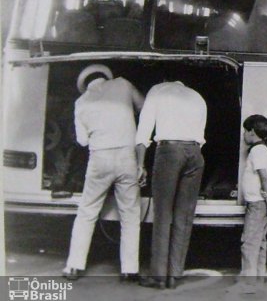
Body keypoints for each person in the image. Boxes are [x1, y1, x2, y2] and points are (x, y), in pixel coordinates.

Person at [63, 64, 145, 281]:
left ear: (85, 84)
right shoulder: (123, 84)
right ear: (106, 77)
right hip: (128, 155)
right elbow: (143, 106)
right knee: (130, 214)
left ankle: (74, 266)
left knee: (87, 211)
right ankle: (130, 270)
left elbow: (81, 141)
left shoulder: (81, 102)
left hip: (99, 157)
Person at [136, 76, 207, 290]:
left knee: (163, 213)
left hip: (169, 151)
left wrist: (140, 164)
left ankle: (158, 275)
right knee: (184, 216)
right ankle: (174, 274)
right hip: (195, 153)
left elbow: (143, 131)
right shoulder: (197, 97)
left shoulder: (157, 90)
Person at [239, 114, 267, 284]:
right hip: (261, 203)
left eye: (244, 131)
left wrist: (265, 191)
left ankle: (249, 279)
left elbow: (263, 175)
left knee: (249, 242)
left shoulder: (257, 151)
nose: (243, 135)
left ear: (252, 132)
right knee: (260, 241)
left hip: (256, 203)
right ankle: (259, 276)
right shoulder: (265, 150)